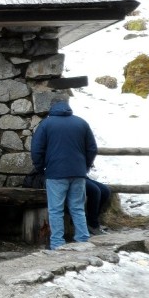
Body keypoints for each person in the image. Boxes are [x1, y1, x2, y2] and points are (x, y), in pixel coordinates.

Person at [30, 98, 98, 250]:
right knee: (78, 208)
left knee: (56, 210)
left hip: (55, 173)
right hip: (78, 173)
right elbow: (92, 149)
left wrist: (41, 169)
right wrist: (85, 167)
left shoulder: (46, 124)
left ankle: (57, 244)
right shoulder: (81, 123)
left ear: (51, 107)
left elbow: (36, 150)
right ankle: (82, 240)